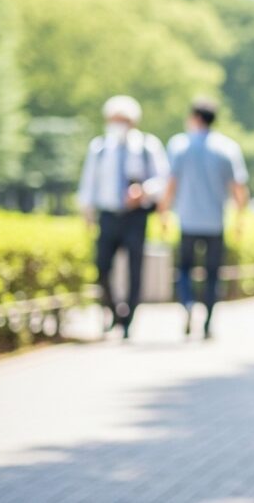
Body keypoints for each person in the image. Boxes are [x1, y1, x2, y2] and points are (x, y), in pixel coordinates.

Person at [77, 95, 169, 340]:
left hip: (135, 216)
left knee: (134, 268)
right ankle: (112, 310)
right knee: (102, 266)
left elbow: (162, 179)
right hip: (108, 214)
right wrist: (87, 211)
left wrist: (143, 192)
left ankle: (129, 318)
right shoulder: (99, 148)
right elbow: (89, 183)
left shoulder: (147, 147)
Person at [160, 99, 248, 340]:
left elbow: (170, 183)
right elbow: (238, 188)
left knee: (185, 270)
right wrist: (240, 219)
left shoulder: (179, 145)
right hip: (214, 222)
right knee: (212, 274)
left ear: (195, 117)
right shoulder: (227, 148)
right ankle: (208, 321)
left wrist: (163, 212)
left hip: (187, 220)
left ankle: (188, 304)